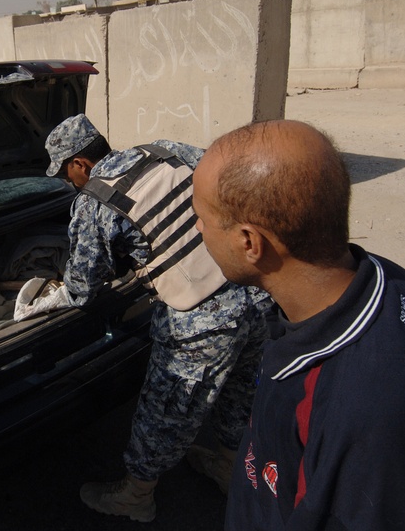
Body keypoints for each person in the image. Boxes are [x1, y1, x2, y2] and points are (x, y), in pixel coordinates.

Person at [191, 119, 405, 531]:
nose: (197, 229)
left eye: (202, 218)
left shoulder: (372, 417)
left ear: (250, 242)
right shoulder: (386, 283)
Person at [21, 114, 272, 523]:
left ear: (80, 164)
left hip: (202, 322)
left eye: (67, 174)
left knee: (166, 410)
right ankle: (229, 469)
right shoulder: (164, 150)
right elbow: (229, 180)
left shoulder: (93, 202)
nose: (69, 184)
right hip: (256, 291)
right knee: (243, 390)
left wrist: (51, 296)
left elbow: (82, 287)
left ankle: (135, 497)